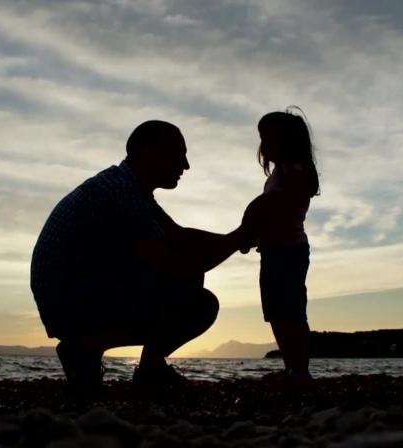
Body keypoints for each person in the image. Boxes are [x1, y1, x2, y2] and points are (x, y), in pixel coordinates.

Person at [30, 120, 253, 395]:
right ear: (151, 153)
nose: (186, 165)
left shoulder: (129, 188)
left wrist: (239, 236)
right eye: (179, 154)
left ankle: (144, 366)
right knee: (199, 303)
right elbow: (172, 261)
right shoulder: (120, 192)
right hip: (70, 300)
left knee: (190, 274)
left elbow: (179, 237)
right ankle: (88, 347)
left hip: (77, 293)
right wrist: (238, 239)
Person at [246, 107, 320, 385]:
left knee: (291, 310)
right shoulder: (279, 173)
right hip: (273, 250)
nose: (263, 146)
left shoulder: (297, 172)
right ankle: (291, 367)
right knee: (276, 311)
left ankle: (300, 369)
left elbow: (278, 207)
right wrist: (254, 234)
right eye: (262, 139)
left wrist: (253, 218)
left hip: (289, 250)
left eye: (268, 139)